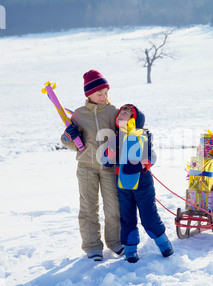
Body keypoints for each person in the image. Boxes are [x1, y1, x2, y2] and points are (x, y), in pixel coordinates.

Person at [60, 69, 123, 261]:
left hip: (109, 167)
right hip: (86, 166)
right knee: (88, 207)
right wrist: (67, 137)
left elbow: (124, 134)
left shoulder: (114, 112)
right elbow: (71, 143)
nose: (104, 97)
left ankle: (115, 241)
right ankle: (92, 246)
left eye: (106, 93)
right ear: (88, 94)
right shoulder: (78, 115)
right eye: (99, 94)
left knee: (114, 206)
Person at [103, 104, 174, 263]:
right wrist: (111, 153)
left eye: (126, 113)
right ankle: (130, 249)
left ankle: (163, 242)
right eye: (121, 112)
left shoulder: (143, 135)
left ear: (134, 119)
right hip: (123, 183)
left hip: (142, 182)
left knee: (148, 215)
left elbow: (152, 157)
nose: (121, 114)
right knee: (127, 217)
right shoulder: (115, 137)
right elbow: (106, 160)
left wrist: (141, 164)